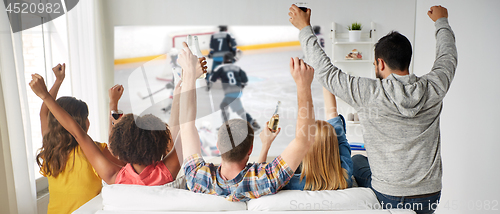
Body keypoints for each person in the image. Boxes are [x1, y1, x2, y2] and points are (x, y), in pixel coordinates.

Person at [289, 4, 456, 214]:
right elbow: (448, 57)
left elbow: (327, 74)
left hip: (388, 196)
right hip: (429, 196)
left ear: (380, 63)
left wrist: (304, 27)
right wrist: (442, 22)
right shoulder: (434, 86)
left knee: (358, 160)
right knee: (359, 160)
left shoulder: (369, 92)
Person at [177, 41, 316, 202]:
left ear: (218, 146)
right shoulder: (265, 181)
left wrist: (189, 75)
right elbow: (303, 140)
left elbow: (186, 124)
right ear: (250, 150)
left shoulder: (197, 178)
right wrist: (304, 85)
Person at [30, 70, 187, 187]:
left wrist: (47, 93)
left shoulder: (114, 176)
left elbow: (76, 132)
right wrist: (186, 86)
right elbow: (183, 131)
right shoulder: (165, 173)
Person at [36, 64, 123, 214]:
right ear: (82, 123)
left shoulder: (50, 150)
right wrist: (113, 104)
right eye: (86, 117)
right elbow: (116, 146)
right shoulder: (96, 151)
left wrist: (58, 81)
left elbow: (44, 113)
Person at [260, 88, 353, 190]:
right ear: (335, 145)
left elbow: (261, 181)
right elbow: (332, 114)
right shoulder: (345, 176)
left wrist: (265, 144)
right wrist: (325, 76)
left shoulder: (294, 183)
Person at [210, 52, 260, 130]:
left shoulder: (220, 68)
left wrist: (216, 76)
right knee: (227, 107)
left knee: (234, 109)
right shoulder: (237, 68)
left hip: (229, 93)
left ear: (224, 60)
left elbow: (212, 79)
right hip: (237, 92)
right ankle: (251, 122)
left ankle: (250, 122)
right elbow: (245, 81)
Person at [207, 25, 237, 90]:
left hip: (216, 57)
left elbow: (212, 48)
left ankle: (208, 82)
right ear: (226, 29)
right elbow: (234, 45)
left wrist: (210, 54)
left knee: (213, 72)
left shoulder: (213, 35)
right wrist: (234, 53)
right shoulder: (228, 34)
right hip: (226, 58)